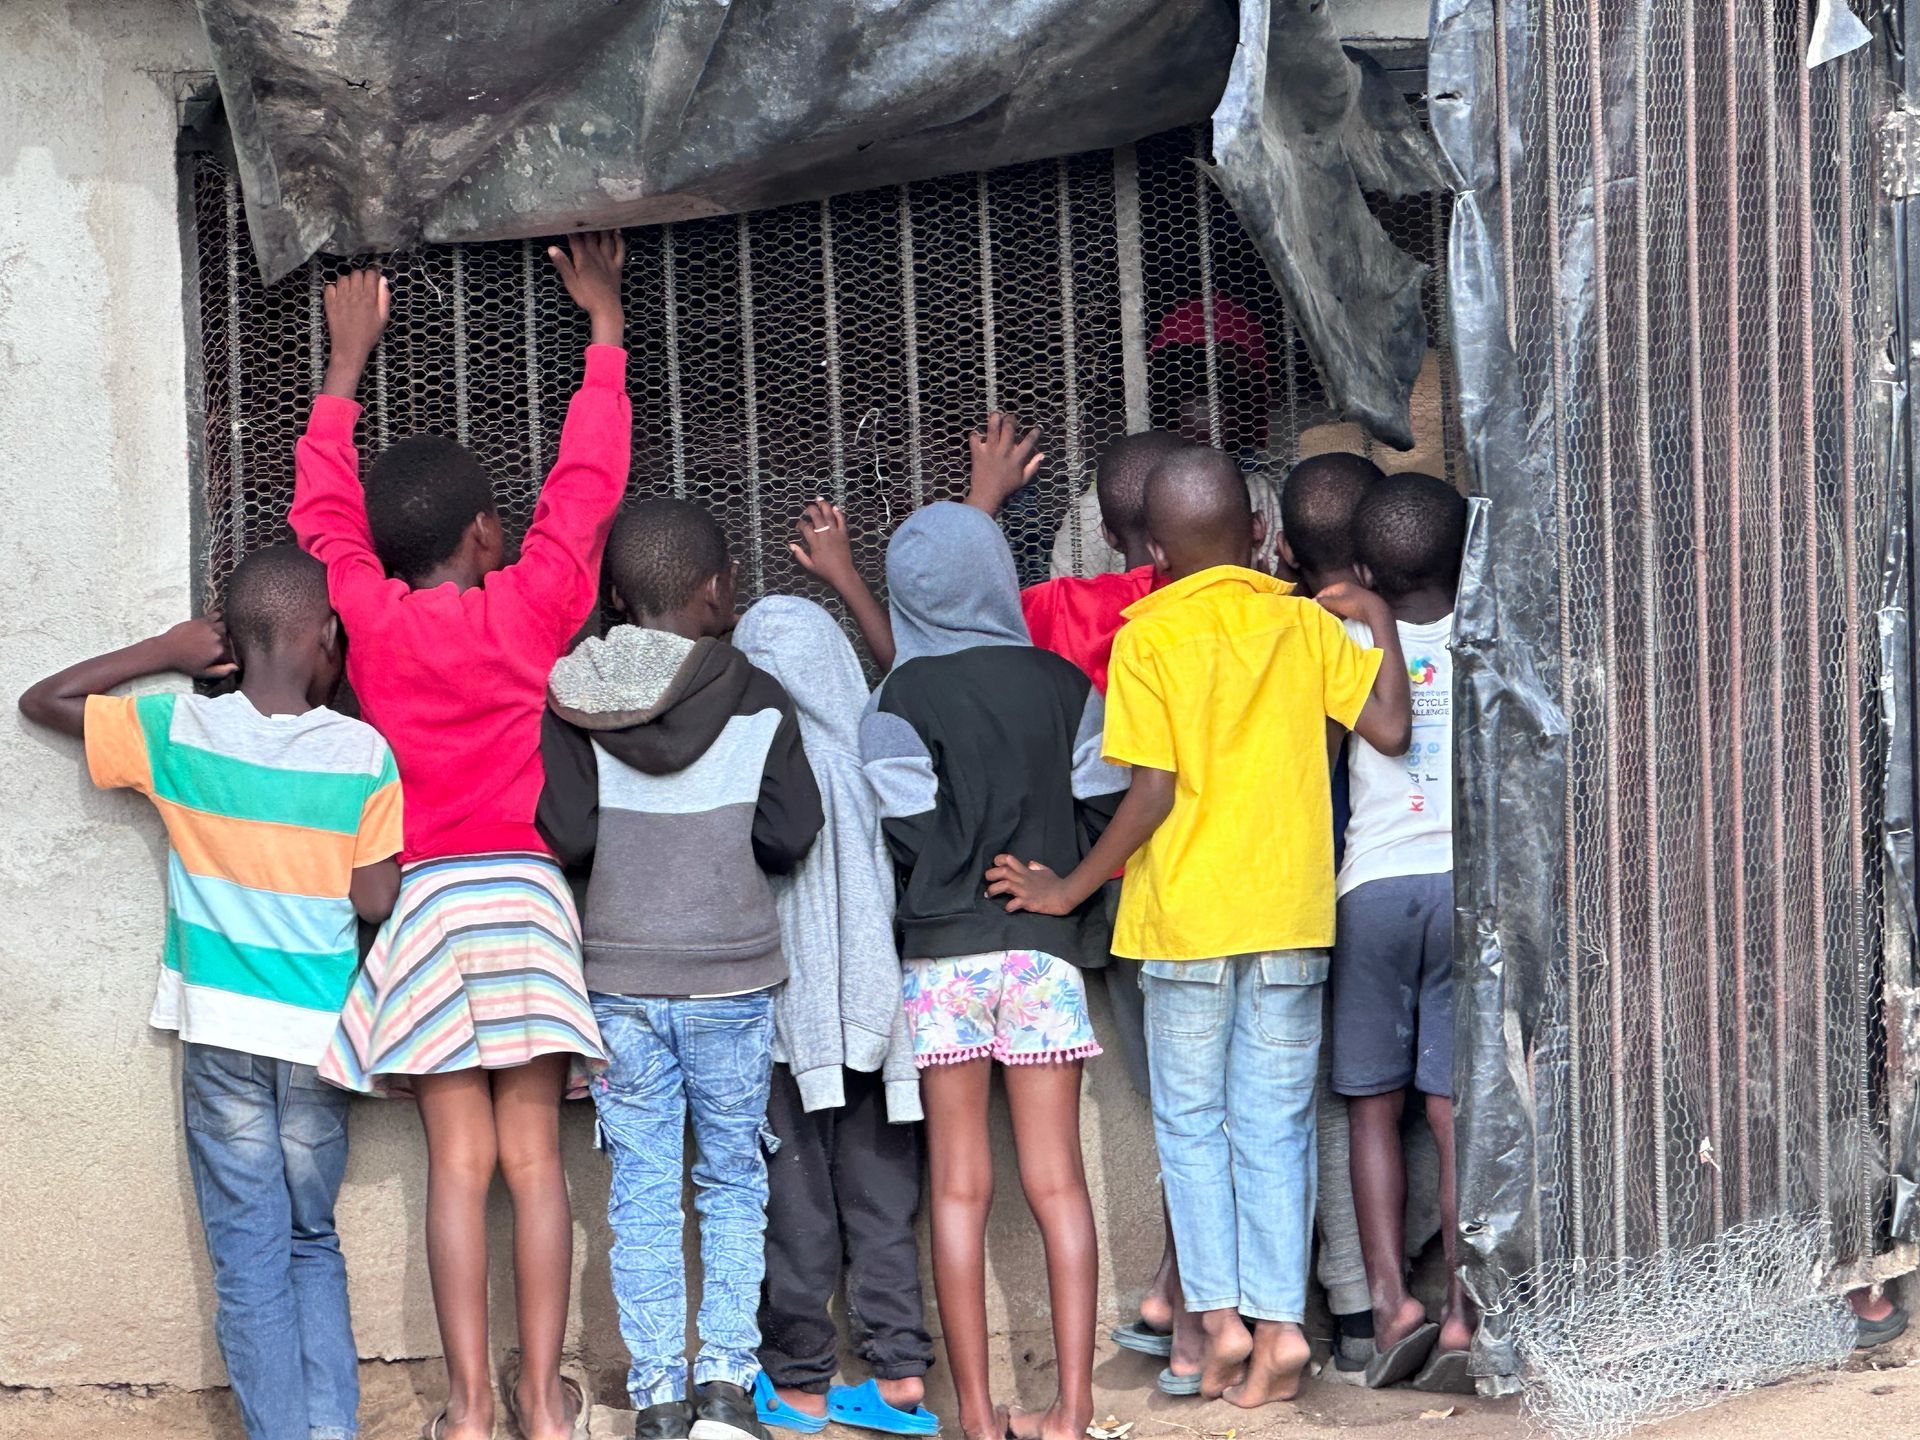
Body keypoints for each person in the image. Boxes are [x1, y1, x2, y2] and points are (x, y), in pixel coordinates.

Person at [288, 235, 631, 1440]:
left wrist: (346, 361)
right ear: (488, 533)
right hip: (527, 901)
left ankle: (472, 1412)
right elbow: (582, 505)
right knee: (539, 1163)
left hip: (430, 906)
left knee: (457, 1167)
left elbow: (325, 521)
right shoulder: (530, 610)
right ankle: (547, 1407)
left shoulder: (371, 624)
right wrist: (600, 333)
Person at [985, 446, 1412, 1409]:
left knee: (1192, 1126)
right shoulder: (1301, 627)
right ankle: (1284, 1330)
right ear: (1259, 532)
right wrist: (1376, 618)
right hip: (1290, 918)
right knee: (1277, 1127)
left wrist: (1072, 887)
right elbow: (1389, 728)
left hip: (1183, 925)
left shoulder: (1149, 636)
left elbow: (1151, 793)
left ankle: (1219, 1322)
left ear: (1153, 552)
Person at [18, 545, 403, 1440]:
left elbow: (44, 701)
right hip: (320, 1041)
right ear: (325, 637)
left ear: (232, 641)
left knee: (250, 1255)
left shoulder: (183, 730)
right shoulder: (362, 752)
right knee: (313, 1240)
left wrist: (163, 647)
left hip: (223, 1037)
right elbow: (376, 898)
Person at [538, 499, 824, 1440]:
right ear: (715, 590)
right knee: (735, 1181)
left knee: (643, 1189)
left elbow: (570, 832)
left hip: (618, 979)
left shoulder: (572, 697)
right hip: (733, 980)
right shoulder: (760, 696)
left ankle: (658, 1397)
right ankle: (727, 1395)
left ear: (617, 595)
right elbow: (790, 833)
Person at [859, 501, 1125, 1440]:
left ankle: (974, 1415)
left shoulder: (893, 702)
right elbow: (1107, 801)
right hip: (1045, 954)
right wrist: (1059, 881)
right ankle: (1073, 1411)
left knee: (958, 1187)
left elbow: (900, 827)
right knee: (1060, 1184)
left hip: (943, 962)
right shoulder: (1064, 685)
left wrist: (950, 879)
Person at [731, 595, 937, 1438]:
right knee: (884, 1200)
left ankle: (803, 1385)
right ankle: (901, 1378)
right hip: (880, 1021)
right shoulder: (871, 758)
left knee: (797, 1204)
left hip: (786, 1027)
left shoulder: (754, 769)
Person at [1330, 472, 1472, 1392]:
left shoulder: (1344, 637)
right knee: (1455, 1114)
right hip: (1468, 883)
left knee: (1371, 1108)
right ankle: (1463, 1312)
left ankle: (1390, 1305)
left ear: (1367, 567)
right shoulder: (1494, 626)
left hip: (1372, 888)